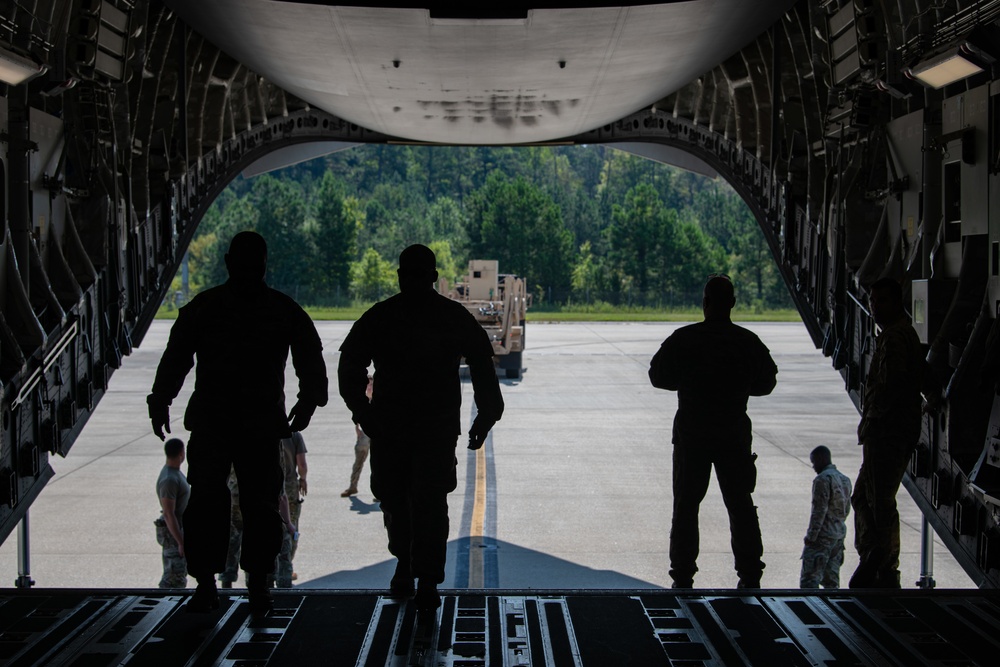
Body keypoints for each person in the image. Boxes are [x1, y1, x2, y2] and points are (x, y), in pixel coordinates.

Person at [147, 231, 328, 614]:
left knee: (208, 503)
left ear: (228, 262)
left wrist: (161, 400)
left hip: (214, 424)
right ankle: (258, 585)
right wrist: (308, 400)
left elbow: (176, 357)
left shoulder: (205, 307)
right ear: (265, 265)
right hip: (260, 425)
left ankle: (206, 585)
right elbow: (311, 356)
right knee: (261, 505)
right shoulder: (281, 309)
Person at [338, 244, 504, 612]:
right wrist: (486, 414)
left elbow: (349, 366)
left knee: (397, 500)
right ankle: (423, 577)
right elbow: (481, 361)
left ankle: (409, 568)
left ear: (401, 276)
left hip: (393, 429)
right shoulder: (452, 317)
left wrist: (363, 412)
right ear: (435, 277)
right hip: (433, 429)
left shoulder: (381, 317)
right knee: (427, 503)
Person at [648, 274, 778, 588]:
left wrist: (689, 384)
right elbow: (767, 382)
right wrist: (739, 389)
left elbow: (657, 376)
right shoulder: (747, 342)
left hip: (693, 433)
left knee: (687, 505)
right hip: (733, 433)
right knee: (740, 503)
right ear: (732, 303)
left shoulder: (684, 338)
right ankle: (749, 572)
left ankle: (682, 572)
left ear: (705, 302)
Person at [850, 277, 934, 588]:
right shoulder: (900, 334)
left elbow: (893, 384)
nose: (874, 307)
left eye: (881, 301)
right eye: (872, 301)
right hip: (890, 429)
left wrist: (875, 422)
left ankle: (882, 563)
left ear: (897, 303)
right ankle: (876, 554)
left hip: (886, 430)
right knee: (865, 496)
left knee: (878, 499)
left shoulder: (896, 338)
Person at [800, 446, 852, 588]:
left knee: (809, 580)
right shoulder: (845, 479)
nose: (813, 467)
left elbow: (819, 511)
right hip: (838, 535)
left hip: (822, 537)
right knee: (832, 581)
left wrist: (811, 537)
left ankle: (810, 609)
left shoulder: (822, 479)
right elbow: (846, 509)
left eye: (814, 462)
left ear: (821, 459)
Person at [156, 438, 190, 588]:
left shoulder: (175, 473)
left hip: (178, 531)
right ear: (182, 453)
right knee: (173, 578)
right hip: (173, 535)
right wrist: (180, 542)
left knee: (178, 574)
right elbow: (169, 514)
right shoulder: (169, 479)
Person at [275, 432, 307, 587]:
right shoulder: (294, 435)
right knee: (290, 529)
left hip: (269, 486)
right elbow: (301, 464)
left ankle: (272, 570)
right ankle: (286, 569)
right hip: (290, 487)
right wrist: (303, 479)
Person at [342, 376, 374, 497]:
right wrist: (357, 428)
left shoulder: (377, 401)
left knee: (377, 463)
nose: (369, 387)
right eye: (368, 385)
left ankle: (379, 492)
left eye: (371, 385)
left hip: (375, 434)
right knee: (358, 461)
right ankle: (353, 486)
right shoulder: (363, 401)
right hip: (363, 435)